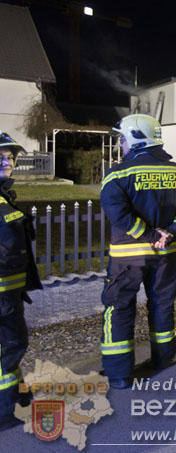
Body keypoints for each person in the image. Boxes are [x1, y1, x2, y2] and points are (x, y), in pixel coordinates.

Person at [100, 115, 176, 388]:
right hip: (167, 255)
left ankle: (119, 375)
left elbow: (117, 213)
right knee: (163, 306)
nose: (120, 143)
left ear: (135, 138)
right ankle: (163, 361)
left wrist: (149, 234)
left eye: (122, 138)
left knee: (119, 309)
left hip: (128, 259)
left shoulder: (118, 174)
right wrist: (171, 233)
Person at [0, 133, 41, 430]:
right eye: (1, 157)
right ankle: (6, 410)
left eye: (11, 157)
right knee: (12, 344)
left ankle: (18, 395)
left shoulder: (3, 195)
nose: (8, 162)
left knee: (9, 345)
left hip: (9, 289)